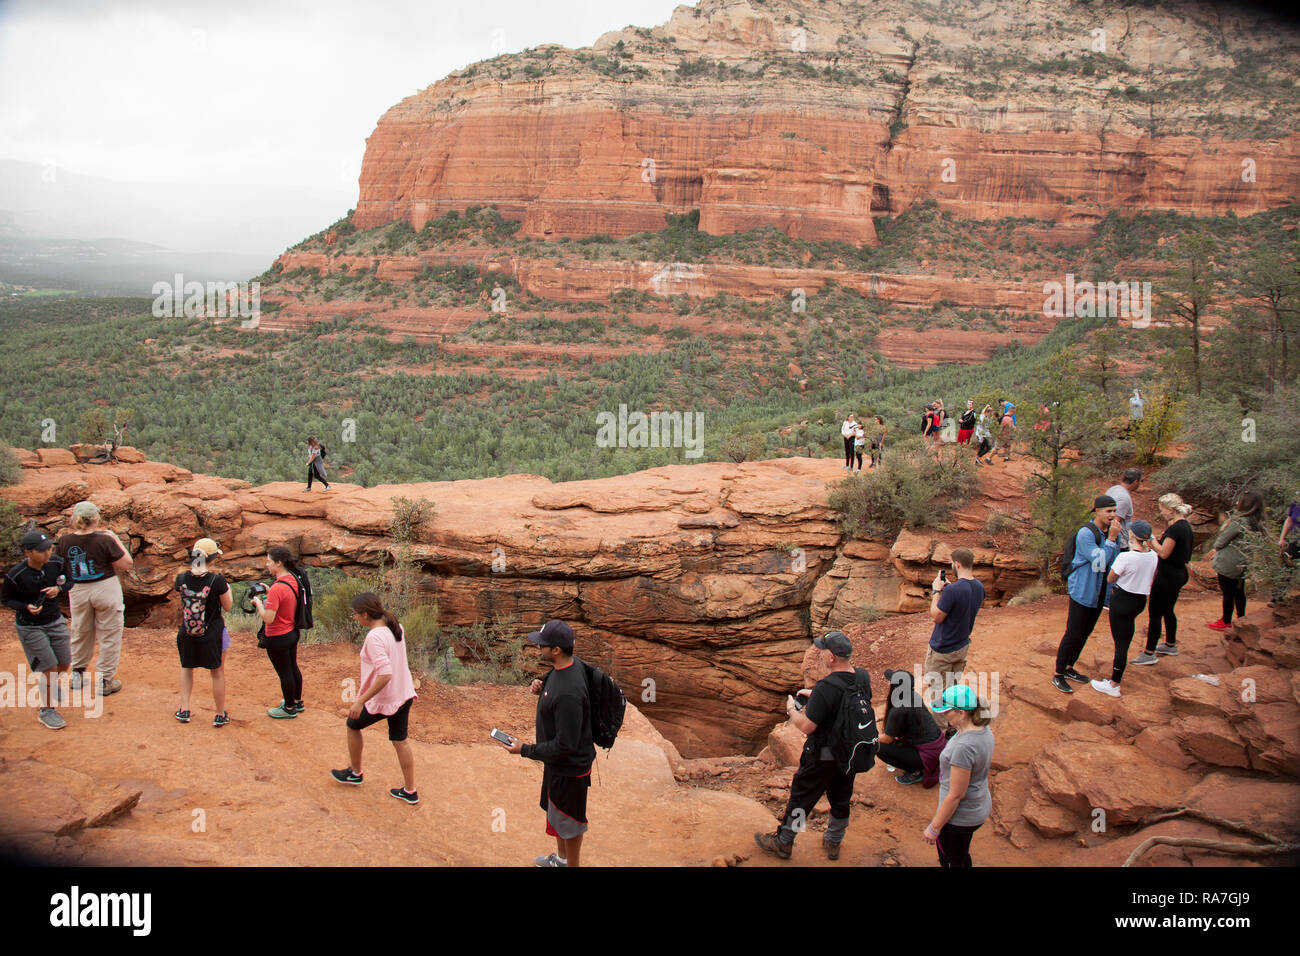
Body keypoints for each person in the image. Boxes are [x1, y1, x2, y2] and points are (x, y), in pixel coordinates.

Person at [755, 631, 869, 861]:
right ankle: (834, 841)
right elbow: (847, 697)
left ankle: (784, 842)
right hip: (849, 751)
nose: (820, 653)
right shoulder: (862, 677)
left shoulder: (827, 687)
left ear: (831, 658)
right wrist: (816, 694)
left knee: (803, 796)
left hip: (824, 753)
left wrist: (791, 711)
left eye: (823, 651)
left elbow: (807, 727)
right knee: (841, 796)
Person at [505, 619, 596, 867]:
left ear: (556, 650)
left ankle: (571, 865)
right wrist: (542, 685)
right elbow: (557, 682)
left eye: (542, 645)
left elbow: (565, 745)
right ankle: (561, 860)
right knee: (557, 815)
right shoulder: (568, 666)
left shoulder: (569, 693)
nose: (538, 648)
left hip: (569, 769)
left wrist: (525, 750)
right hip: (557, 766)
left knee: (570, 821)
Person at [331, 593, 418, 803]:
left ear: (365, 615)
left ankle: (355, 773)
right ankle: (410, 790)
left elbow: (385, 673)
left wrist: (360, 701)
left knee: (352, 724)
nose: (355, 618)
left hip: (384, 698)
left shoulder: (374, 637)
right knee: (400, 741)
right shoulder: (396, 626)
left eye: (355, 614)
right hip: (403, 694)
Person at [57, 500, 132, 696]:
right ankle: (105, 680)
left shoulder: (65, 541)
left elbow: (60, 566)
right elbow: (126, 564)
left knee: (80, 630)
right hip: (105, 588)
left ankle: (77, 674)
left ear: (76, 519)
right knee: (109, 633)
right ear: (96, 519)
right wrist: (116, 539)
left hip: (78, 589)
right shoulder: (105, 539)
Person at [2, 530, 73, 729]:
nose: (47, 554)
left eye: (49, 548)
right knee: (48, 667)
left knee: (64, 662)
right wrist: (26, 607)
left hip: (55, 620)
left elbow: (69, 581)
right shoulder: (16, 575)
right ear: (28, 553)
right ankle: (47, 710)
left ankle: (49, 688)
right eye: (42, 551)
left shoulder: (56, 563)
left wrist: (59, 589)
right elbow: (6, 599)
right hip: (30, 626)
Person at [1052, 495, 1123, 694]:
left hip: (1099, 592)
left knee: (1085, 632)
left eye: (1114, 511)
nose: (1112, 515)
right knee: (1073, 632)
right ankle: (1058, 674)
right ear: (1097, 511)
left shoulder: (1109, 532)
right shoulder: (1086, 533)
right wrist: (1111, 540)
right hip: (1082, 591)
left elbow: (1114, 561)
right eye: (1108, 511)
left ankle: (1069, 668)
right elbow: (1099, 562)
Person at [923, 684, 994, 867]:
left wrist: (935, 827)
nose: (944, 715)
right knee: (960, 853)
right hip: (978, 803)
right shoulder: (984, 729)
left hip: (960, 818)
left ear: (962, 713)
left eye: (947, 712)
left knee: (951, 859)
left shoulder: (964, 747)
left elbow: (956, 795)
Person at [1091, 521, 1159, 698]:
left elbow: (1111, 577)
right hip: (1139, 600)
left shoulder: (1126, 557)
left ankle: (1114, 684)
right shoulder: (1153, 556)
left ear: (1133, 536)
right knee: (1125, 638)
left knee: (1120, 644)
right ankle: (1115, 679)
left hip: (1122, 599)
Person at [924, 547, 984, 733]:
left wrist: (936, 593)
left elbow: (937, 616)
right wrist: (949, 590)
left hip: (943, 649)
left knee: (937, 689)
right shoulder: (979, 587)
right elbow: (962, 607)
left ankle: (940, 732)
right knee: (952, 687)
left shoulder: (953, 591)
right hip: (962, 646)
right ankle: (954, 724)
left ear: (956, 564)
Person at [173, 538, 232, 726]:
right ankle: (220, 714)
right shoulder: (217, 580)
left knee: (186, 668)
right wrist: (227, 587)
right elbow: (228, 606)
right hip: (212, 633)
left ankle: (184, 709)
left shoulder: (181, 578)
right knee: (217, 672)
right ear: (213, 558)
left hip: (187, 631)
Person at [1133, 493, 1195, 665]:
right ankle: (1170, 644)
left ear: (1170, 509)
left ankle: (1149, 652)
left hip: (1168, 574)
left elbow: (1164, 553)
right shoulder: (1185, 526)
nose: (1161, 513)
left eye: (1162, 510)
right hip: (1178, 572)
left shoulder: (1176, 529)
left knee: (1155, 613)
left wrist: (1151, 538)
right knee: (1168, 609)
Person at [251, 546, 305, 718]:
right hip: (291, 632)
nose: (267, 564)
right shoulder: (293, 579)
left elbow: (268, 618)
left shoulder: (277, 588)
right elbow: (285, 600)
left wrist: (258, 603)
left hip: (277, 636)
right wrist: (269, 592)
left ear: (278, 563)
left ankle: (289, 708)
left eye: (269, 561)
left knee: (285, 673)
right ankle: (297, 702)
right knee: (293, 668)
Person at [876, 668, 946, 787]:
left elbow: (888, 739)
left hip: (927, 755)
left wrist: (871, 737)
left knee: (878, 747)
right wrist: (884, 717)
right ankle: (915, 763)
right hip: (937, 746)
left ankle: (915, 771)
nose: (888, 682)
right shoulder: (914, 695)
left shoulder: (898, 710)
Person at [1205, 490, 1265, 631]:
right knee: (1239, 590)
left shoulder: (1239, 521)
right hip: (1243, 561)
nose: (1237, 502)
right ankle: (1241, 618)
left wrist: (1215, 548)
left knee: (1227, 592)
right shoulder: (1257, 521)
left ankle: (1225, 620)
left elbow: (1222, 540)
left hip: (1229, 562)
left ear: (1245, 504)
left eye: (1240, 500)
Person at [1105, 467, 1143, 549]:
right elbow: (1114, 522)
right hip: (1119, 543)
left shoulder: (1113, 489)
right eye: (1141, 481)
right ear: (1136, 481)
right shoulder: (1124, 498)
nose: (1140, 483)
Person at [1278, 493, 1300, 561]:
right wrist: (1282, 539)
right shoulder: (1296, 501)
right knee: (1284, 559)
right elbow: (1289, 520)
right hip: (1295, 542)